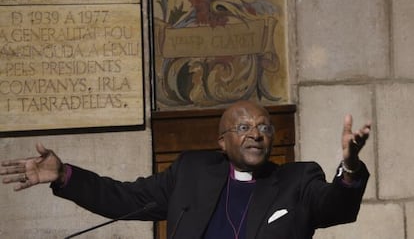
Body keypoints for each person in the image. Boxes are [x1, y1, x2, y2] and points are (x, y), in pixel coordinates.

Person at [1, 100, 371, 239]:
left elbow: (336, 206)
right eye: (243, 128)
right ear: (222, 141)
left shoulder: (297, 179)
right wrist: (65, 175)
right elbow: (125, 198)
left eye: (264, 128)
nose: (256, 134)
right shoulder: (191, 173)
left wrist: (350, 166)